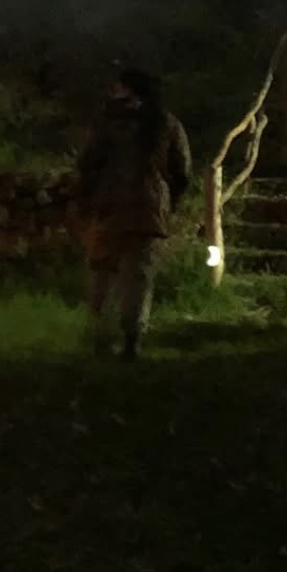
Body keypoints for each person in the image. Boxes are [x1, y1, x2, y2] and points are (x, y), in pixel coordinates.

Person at [72, 66, 188, 359]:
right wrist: (168, 203)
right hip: (149, 210)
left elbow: (87, 163)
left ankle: (101, 338)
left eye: (118, 86)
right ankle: (131, 340)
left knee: (103, 275)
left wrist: (86, 200)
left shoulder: (108, 122)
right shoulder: (167, 123)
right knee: (138, 278)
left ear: (126, 90)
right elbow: (181, 171)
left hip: (108, 208)